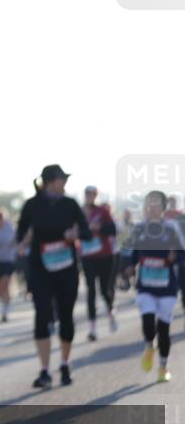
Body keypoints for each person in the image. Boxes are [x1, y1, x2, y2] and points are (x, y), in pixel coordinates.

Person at [16, 165, 91, 389]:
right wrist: (26, 237)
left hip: (67, 269)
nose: (65, 183)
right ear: (50, 181)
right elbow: (20, 232)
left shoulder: (69, 204)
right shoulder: (32, 205)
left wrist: (75, 234)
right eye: (61, 179)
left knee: (66, 316)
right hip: (40, 268)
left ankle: (65, 364)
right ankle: (44, 370)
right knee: (42, 314)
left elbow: (86, 232)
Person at [125, 191, 185, 383]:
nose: (152, 207)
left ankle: (163, 367)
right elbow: (130, 252)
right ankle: (149, 346)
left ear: (163, 208)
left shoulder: (171, 229)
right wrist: (127, 267)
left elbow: (183, 254)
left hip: (167, 287)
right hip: (146, 286)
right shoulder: (139, 228)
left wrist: (175, 257)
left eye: (156, 204)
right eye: (149, 203)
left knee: (164, 330)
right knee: (148, 323)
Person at [80, 185, 118, 341]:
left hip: (104, 255)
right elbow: (76, 231)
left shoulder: (103, 211)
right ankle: (93, 329)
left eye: (92, 194)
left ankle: (110, 310)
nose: (89, 196)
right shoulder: (80, 213)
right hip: (88, 256)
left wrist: (99, 227)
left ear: (96, 195)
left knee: (104, 289)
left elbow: (112, 230)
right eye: (87, 194)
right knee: (90, 291)